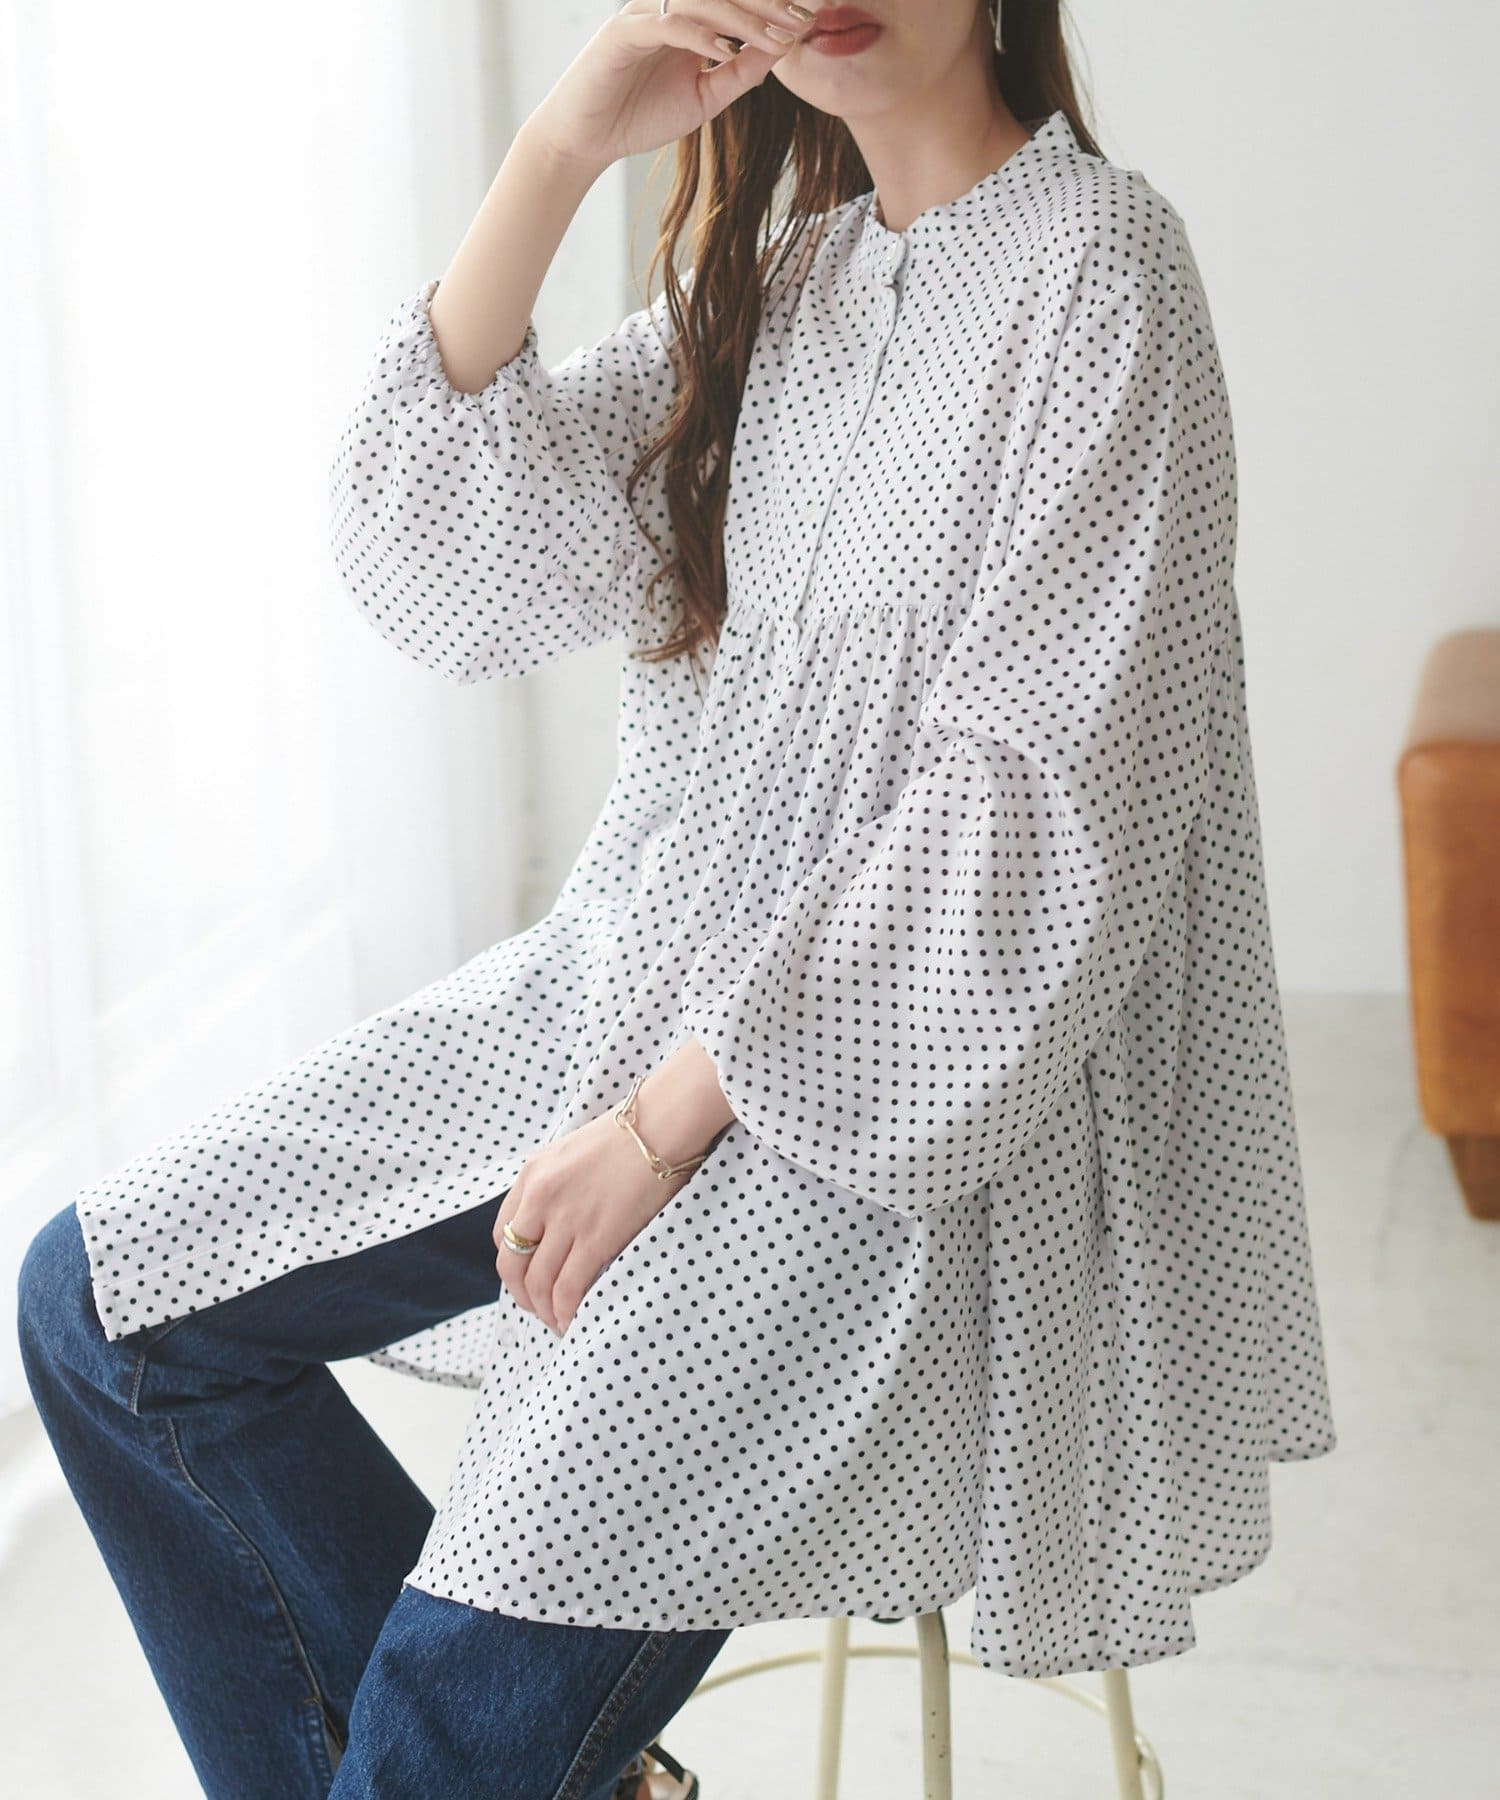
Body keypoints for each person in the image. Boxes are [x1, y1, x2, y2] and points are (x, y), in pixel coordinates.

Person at [17, 1, 1339, 1794]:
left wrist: (660, 1127)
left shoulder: (1101, 273)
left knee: (432, 1750)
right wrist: (560, 146)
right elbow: (437, 561)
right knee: (103, 1309)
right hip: (616, 1010)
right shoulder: (776, 289)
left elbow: (1035, 831)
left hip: (883, 1132)